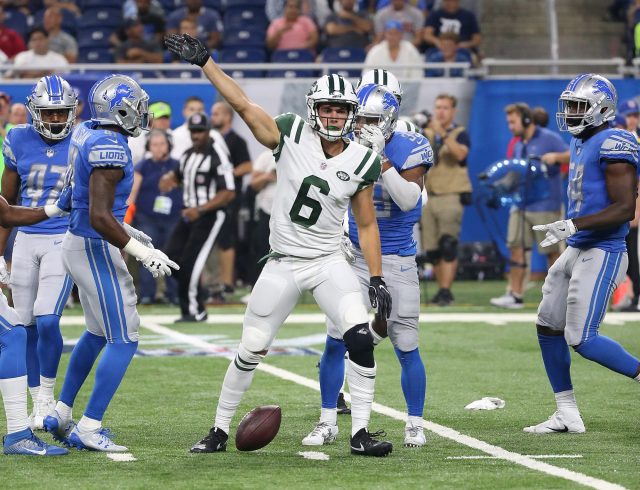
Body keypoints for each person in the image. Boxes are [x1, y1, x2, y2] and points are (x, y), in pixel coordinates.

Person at [165, 33, 394, 456]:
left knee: (359, 337)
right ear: (314, 109)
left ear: (351, 113)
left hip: (328, 260)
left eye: (340, 109)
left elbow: (366, 224)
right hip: (284, 261)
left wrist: (376, 276)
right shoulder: (290, 133)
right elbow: (243, 105)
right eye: (326, 107)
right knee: (251, 346)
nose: (332, 115)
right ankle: (217, 429)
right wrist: (207, 63)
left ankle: (359, 434)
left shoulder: (362, 158)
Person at [43, 74, 179, 452]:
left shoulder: (88, 131)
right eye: (136, 107)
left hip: (79, 242)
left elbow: (82, 200)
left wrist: (128, 228)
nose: (142, 114)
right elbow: (99, 216)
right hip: (93, 246)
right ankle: (89, 426)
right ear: (119, 109)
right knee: (125, 337)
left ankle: (61, 412)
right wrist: (142, 253)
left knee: (98, 332)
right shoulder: (110, 147)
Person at [305, 83, 433, 448]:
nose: (362, 125)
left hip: (398, 259)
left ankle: (414, 422)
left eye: (371, 119)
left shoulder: (409, 146)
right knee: (335, 340)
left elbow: (409, 199)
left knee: (406, 345)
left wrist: (382, 158)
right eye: (358, 118)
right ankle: (328, 420)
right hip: (354, 258)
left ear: (389, 119)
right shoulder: (341, 144)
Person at [524, 73, 640, 434]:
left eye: (578, 106)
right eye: (569, 105)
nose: (571, 113)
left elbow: (624, 208)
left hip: (603, 248)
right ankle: (566, 412)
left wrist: (574, 224)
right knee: (548, 325)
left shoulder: (614, 141)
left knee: (582, 337)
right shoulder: (581, 141)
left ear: (601, 109)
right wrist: (573, 229)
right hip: (579, 247)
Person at [0, 75, 77, 429]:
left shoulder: (84, 138)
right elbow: (6, 205)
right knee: (24, 323)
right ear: (35, 111)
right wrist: (0, 253)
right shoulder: (17, 138)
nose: (57, 120)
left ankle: (47, 396)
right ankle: (36, 402)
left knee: (47, 318)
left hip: (62, 237)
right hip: (26, 239)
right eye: (50, 113)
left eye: (62, 113)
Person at [0, 189, 70, 456]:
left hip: (51, 240)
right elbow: (6, 213)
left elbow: (5, 212)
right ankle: (18, 434)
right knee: (14, 335)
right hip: (32, 239)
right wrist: (56, 208)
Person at [490, 103, 569, 309]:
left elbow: (571, 155)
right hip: (521, 204)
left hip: (546, 205)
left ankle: (558, 296)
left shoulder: (549, 138)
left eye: (512, 122)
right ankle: (515, 295)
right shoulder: (517, 145)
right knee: (515, 247)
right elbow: (515, 174)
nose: (510, 126)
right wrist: (499, 189)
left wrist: (556, 157)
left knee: (552, 252)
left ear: (526, 120)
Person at [160, 112, 235, 322]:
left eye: (200, 131)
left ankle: (194, 311)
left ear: (208, 131)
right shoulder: (188, 155)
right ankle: (198, 295)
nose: (196, 136)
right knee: (170, 259)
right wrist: (169, 178)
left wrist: (201, 209)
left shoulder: (217, 154)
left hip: (209, 215)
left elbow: (229, 191)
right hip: (188, 214)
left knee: (191, 264)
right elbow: (178, 174)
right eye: (193, 131)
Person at [420, 93, 471, 306]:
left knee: (447, 244)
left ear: (453, 111)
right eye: (438, 107)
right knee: (432, 250)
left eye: (445, 108)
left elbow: (460, 155)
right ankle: (441, 290)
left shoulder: (460, 133)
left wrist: (442, 132)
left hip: (450, 194)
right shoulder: (427, 133)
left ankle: (446, 290)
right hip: (428, 196)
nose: (440, 112)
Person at [128, 129, 182, 305]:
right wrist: (127, 215)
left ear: (169, 145)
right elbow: (133, 192)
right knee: (147, 253)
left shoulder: (178, 165)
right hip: (147, 217)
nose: (158, 148)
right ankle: (147, 294)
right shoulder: (142, 165)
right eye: (154, 145)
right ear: (149, 147)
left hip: (174, 217)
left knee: (174, 254)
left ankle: (174, 294)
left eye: (162, 144)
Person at [209, 101, 252, 297]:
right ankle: (211, 283)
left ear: (228, 117)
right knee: (208, 240)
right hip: (210, 195)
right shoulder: (209, 139)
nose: (213, 117)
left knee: (227, 240)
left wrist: (226, 174)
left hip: (230, 196)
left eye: (217, 114)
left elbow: (247, 166)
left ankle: (227, 282)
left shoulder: (236, 140)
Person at [248, 150, 277, 284]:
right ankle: (257, 286)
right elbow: (253, 185)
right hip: (267, 210)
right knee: (263, 250)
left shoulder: (301, 152)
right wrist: (268, 176)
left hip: (292, 212)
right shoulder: (266, 156)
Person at [171, 96, 206, 161]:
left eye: (200, 110)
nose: (196, 113)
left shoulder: (213, 134)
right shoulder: (175, 135)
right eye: (192, 109)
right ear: (184, 112)